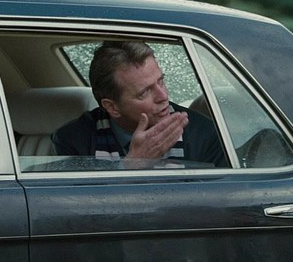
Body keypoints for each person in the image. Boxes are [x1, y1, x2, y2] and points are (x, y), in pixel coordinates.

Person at [53, 40, 227, 168]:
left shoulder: (207, 135)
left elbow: (215, 202)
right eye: (144, 92)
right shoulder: (73, 139)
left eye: (161, 81)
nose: (163, 96)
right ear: (112, 107)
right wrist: (132, 166)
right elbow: (77, 203)